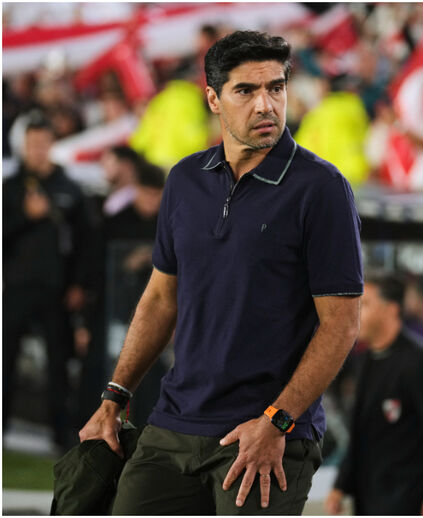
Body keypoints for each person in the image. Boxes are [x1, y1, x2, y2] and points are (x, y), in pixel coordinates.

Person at [78, 30, 364, 514]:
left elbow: (341, 324)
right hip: (174, 422)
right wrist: (114, 397)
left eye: (276, 88)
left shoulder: (322, 189)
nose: (265, 105)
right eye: (246, 91)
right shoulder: (184, 180)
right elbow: (160, 299)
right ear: (213, 99)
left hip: (267, 433)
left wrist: (276, 422)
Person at [325, 276, 423, 516]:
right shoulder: (364, 363)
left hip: (410, 498)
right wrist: (341, 485)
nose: (355, 313)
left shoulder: (422, 363)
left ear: (391, 309)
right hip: (370, 498)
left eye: (365, 305)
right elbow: (360, 434)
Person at [3, 114, 93, 450]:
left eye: (43, 143)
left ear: (52, 144)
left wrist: (79, 284)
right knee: (5, 358)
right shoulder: (10, 187)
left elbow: (85, 242)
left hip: (57, 289)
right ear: (24, 146)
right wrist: (26, 217)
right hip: (16, 287)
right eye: (32, 144)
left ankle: (60, 434)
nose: (37, 150)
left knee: (59, 363)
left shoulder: (69, 188)